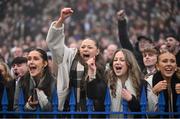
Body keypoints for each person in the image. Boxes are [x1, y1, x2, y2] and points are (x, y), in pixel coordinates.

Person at [46, 7, 107, 114]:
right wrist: (61, 20)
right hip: (70, 109)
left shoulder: (103, 68)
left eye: (89, 47)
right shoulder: (70, 57)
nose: (85, 49)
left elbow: (98, 93)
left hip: (92, 111)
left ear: (97, 51)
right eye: (83, 47)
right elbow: (54, 44)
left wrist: (91, 73)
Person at [105, 49, 157, 118]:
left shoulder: (141, 83)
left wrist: (131, 100)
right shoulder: (106, 82)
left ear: (129, 63)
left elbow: (146, 112)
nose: (117, 62)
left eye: (122, 60)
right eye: (115, 60)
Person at [151, 51, 180, 116]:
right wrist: (153, 92)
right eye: (164, 61)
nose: (169, 64)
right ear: (157, 66)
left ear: (175, 66)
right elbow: (147, 112)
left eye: (172, 61)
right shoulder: (148, 81)